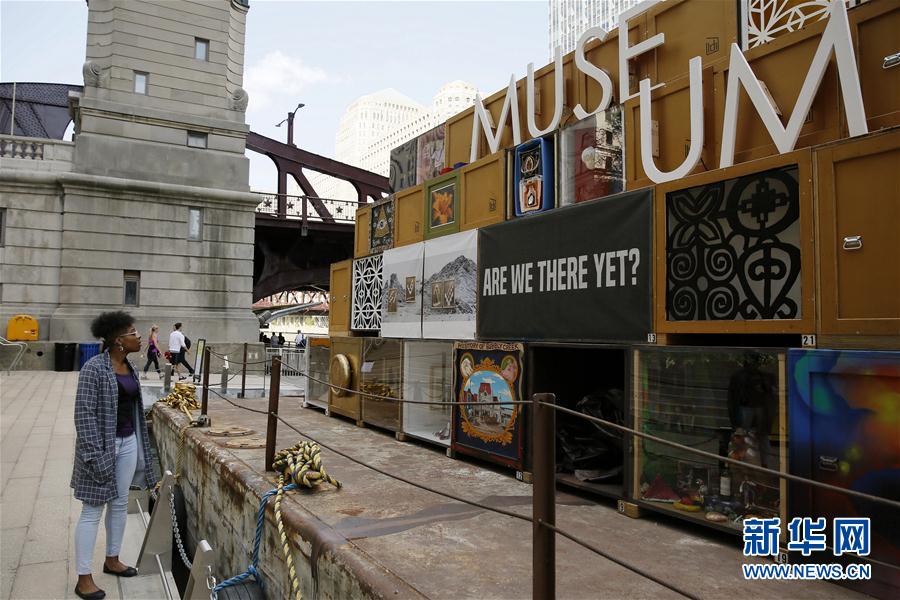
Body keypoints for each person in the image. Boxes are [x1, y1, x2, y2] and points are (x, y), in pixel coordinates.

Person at [71, 311, 158, 600]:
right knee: (92, 510)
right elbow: (83, 415)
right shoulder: (94, 368)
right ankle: (84, 578)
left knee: (120, 503)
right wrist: (94, 455)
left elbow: (132, 405)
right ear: (119, 341)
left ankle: (112, 559)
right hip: (101, 447)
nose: (139, 337)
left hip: (128, 442)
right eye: (134, 333)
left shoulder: (130, 367)